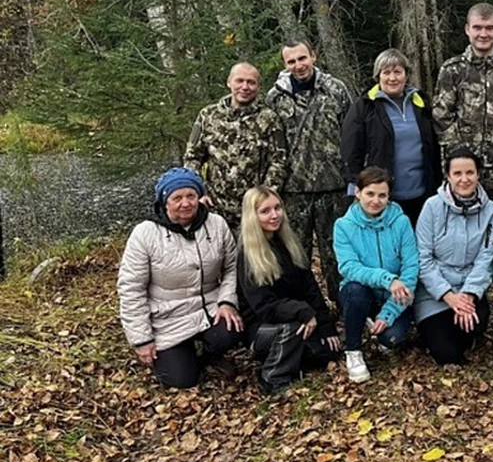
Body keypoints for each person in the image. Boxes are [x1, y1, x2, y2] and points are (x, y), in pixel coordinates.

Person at [117, 167, 243, 389]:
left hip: (209, 308)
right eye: (177, 198)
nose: (185, 203)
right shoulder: (145, 234)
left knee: (232, 331)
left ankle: (210, 355)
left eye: (191, 196)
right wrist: (142, 339)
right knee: (180, 380)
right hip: (167, 317)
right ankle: (183, 356)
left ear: (199, 197)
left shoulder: (216, 224)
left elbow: (231, 267)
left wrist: (226, 302)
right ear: (165, 201)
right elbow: (131, 289)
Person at [265, 39, 353, 305]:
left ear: (313, 56)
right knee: (296, 253)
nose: (298, 65)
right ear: (284, 64)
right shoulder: (274, 98)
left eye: (302, 58)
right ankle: (304, 307)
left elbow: (351, 134)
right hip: (294, 190)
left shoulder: (335, 89)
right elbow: (271, 143)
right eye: (291, 61)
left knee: (336, 252)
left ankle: (344, 304)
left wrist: (353, 179)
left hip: (334, 186)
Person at [238, 186, 341, 395]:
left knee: (329, 352)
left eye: (277, 208)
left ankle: (295, 355)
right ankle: (272, 377)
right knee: (292, 329)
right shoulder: (248, 256)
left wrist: (325, 325)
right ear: (253, 216)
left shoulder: (288, 242)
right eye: (265, 211)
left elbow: (310, 287)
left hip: (298, 316)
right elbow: (264, 308)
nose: (274, 215)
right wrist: (303, 312)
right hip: (262, 327)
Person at [433, 2, 493, 203]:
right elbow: (442, 116)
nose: (483, 34)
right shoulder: (452, 69)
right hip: (465, 171)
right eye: (478, 27)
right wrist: (458, 159)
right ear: (467, 29)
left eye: (489, 28)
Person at [414, 148, 493, 365]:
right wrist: (448, 296)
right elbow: (423, 258)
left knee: (474, 327)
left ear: (478, 174)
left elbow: (486, 257)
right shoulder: (432, 207)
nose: (464, 179)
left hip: (468, 288)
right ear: (448, 176)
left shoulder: (491, 211)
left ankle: (463, 329)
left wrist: (468, 295)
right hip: (434, 293)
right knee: (447, 355)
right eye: (457, 174)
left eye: (470, 173)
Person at [333, 167, 418, 382]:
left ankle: (379, 325)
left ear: (389, 197)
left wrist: (389, 312)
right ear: (358, 192)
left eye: (382, 195)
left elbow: (411, 266)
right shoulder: (343, 226)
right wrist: (387, 279)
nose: (376, 201)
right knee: (355, 290)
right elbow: (348, 267)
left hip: (396, 296)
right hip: (361, 291)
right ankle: (353, 351)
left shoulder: (401, 222)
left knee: (391, 340)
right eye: (370, 194)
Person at [341, 48, 441, 226]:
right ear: (378, 76)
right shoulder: (364, 107)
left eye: (397, 72)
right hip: (382, 196)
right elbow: (351, 151)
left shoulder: (420, 102)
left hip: (423, 194)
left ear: (406, 75)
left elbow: (434, 145)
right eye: (386, 72)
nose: (392, 78)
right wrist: (355, 186)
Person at [184, 63, 287, 230]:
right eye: (239, 81)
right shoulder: (208, 116)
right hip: (214, 210)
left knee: (253, 256)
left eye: (251, 82)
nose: (245, 87)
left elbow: (279, 161)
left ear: (258, 86)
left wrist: (265, 199)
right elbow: (192, 157)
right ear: (229, 82)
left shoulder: (269, 119)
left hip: (253, 212)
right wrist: (197, 193)